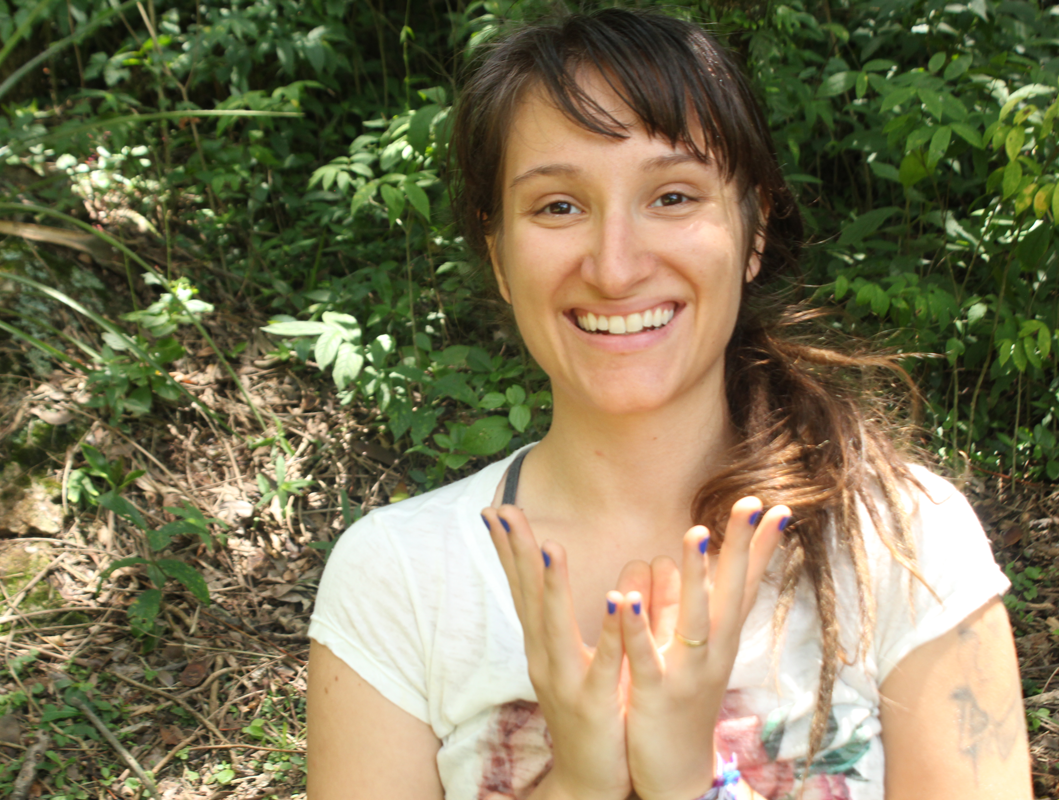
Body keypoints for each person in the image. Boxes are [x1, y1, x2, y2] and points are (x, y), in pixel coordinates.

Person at [306, 8, 1032, 800]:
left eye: (674, 196)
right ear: (500, 256)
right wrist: (579, 784)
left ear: (753, 230)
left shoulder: (901, 541)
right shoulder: (398, 580)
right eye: (558, 206)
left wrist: (690, 782)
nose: (615, 267)